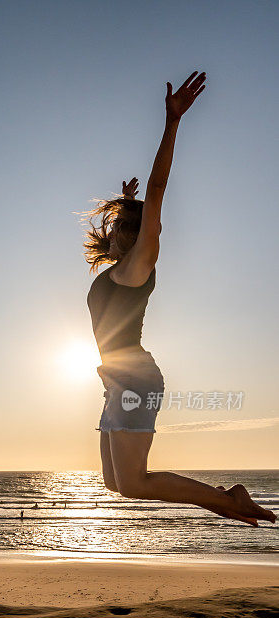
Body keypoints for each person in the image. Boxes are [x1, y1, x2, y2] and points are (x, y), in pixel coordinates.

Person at [84, 70, 275, 528]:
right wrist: (126, 200)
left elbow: (158, 191)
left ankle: (227, 499)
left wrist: (171, 124)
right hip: (117, 383)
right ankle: (220, 501)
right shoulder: (119, 271)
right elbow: (140, 204)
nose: (108, 234)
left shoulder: (137, 267)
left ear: (135, 239)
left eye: (117, 229)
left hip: (136, 383)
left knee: (133, 483)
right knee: (116, 483)